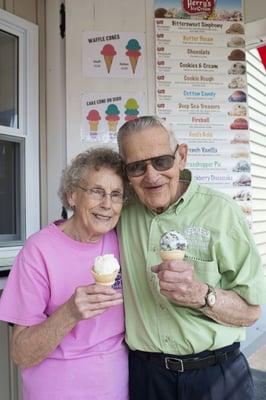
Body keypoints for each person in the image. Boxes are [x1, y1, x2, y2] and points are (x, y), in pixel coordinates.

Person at [117, 116, 266, 400]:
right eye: (137, 167)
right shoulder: (120, 213)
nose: (151, 176)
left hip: (217, 376)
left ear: (181, 156)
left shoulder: (221, 213)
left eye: (161, 161)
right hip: (146, 379)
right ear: (125, 172)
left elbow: (250, 311)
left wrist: (201, 294)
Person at [0, 148, 129, 400]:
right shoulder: (39, 250)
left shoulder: (122, 240)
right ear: (72, 196)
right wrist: (70, 313)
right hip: (57, 389)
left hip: (116, 386)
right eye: (96, 192)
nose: (107, 204)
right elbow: (21, 353)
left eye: (116, 195)